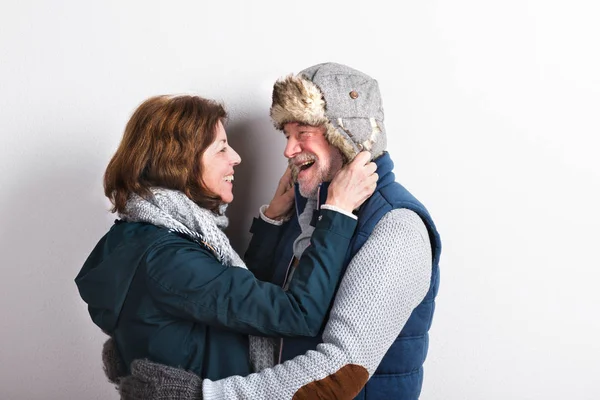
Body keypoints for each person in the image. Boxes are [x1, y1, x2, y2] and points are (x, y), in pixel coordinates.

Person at [116, 62, 442, 400]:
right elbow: (254, 309)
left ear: (345, 134)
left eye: (303, 133)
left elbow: (341, 371)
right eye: (287, 135)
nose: (288, 150)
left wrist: (204, 396)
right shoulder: (312, 210)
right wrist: (272, 224)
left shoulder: (396, 228)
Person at [74, 94, 378, 381]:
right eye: (221, 148)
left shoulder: (144, 238)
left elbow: (236, 299)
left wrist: (271, 220)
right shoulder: (167, 259)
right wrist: (337, 212)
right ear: (180, 161)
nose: (236, 157)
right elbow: (296, 313)